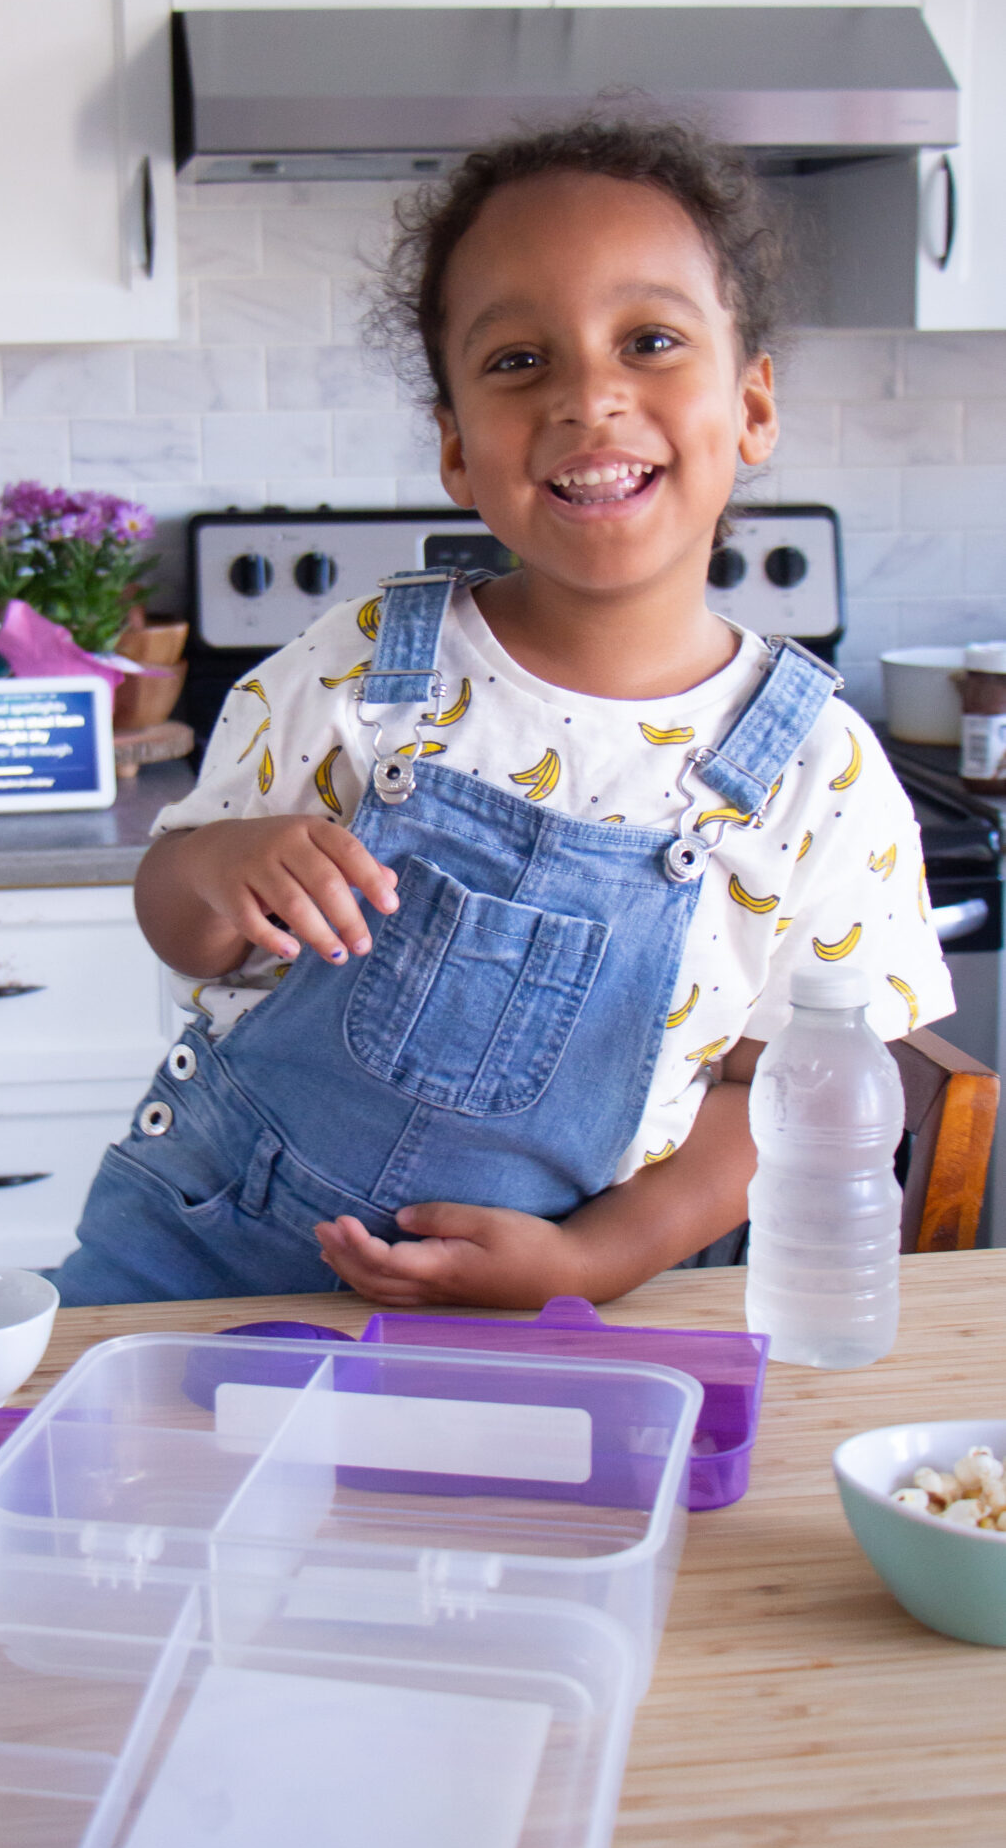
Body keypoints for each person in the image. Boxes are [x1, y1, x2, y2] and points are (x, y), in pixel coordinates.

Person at [48, 117, 954, 1310]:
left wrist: (590, 1260)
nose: (589, 395)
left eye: (648, 339)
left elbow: (777, 1092)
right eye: (519, 361)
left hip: (542, 1318)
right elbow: (176, 915)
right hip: (199, 1267)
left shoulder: (817, 775)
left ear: (750, 408)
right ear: (454, 450)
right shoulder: (360, 667)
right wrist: (223, 867)